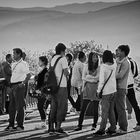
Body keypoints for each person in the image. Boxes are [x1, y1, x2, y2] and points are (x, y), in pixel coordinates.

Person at [5, 48, 31, 131]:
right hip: (13, 86)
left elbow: (29, 75)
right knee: (11, 107)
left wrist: (22, 83)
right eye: (12, 54)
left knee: (20, 106)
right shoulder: (13, 64)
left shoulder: (23, 64)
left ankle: (20, 125)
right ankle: (11, 125)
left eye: (14, 54)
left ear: (19, 54)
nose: (13, 55)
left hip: (19, 86)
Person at [74, 52, 100, 131]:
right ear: (90, 58)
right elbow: (83, 78)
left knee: (96, 109)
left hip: (96, 89)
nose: (95, 58)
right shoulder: (86, 66)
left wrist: (89, 77)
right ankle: (79, 125)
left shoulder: (99, 67)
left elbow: (97, 78)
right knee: (83, 109)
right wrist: (91, 78)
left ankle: (94, 125)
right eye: (93, 57)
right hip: (87, 88)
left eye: (96, 57)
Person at [94, 50, 117, 136]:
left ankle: (101, 129)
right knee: (111, 111)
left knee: (104, 112)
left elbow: (102, 81)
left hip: (106, 92)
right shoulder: (114, 64)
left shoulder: (103, 66)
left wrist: (98, 91)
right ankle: (113, 128)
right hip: (113, 90)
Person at [49, 43, 69, 134]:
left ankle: (51, 127)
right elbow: (66, 72)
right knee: (61, 106)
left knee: (53, 106)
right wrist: (68, 71)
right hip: (62, 86)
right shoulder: (63, 58)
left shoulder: (53, 58)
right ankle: (58, 127)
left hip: (53, 86)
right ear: (62, 51)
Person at [115, 45, 130, 134]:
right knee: (116, 108)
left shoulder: (126, 62)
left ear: (123, 52)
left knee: (121, 108)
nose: (117, 52)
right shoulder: (118, 61)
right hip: (116, 87)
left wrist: (111, 75)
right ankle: (115, 127)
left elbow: (120, 75)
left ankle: (123, 128)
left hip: (121, 87)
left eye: (119, 51)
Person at [35, 56, 50, 129]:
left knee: (40, 106)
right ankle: (43, 122)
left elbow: (45, 82)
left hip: (43, 91)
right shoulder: (43, 70)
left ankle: (44, 123)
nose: (38, 62)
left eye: (39, 61)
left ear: (43, 61)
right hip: (41, 91)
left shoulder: (46, 70)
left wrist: (41, 89)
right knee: (42, 106)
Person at [126, 57, 140, 131]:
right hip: (126, 86)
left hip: (128, 86)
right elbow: (136, 73)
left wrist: (130, 79)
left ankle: (139, 123)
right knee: (134, 105)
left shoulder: (130, 62)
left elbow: (135, 73)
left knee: (134, 105)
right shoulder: (131, 62)